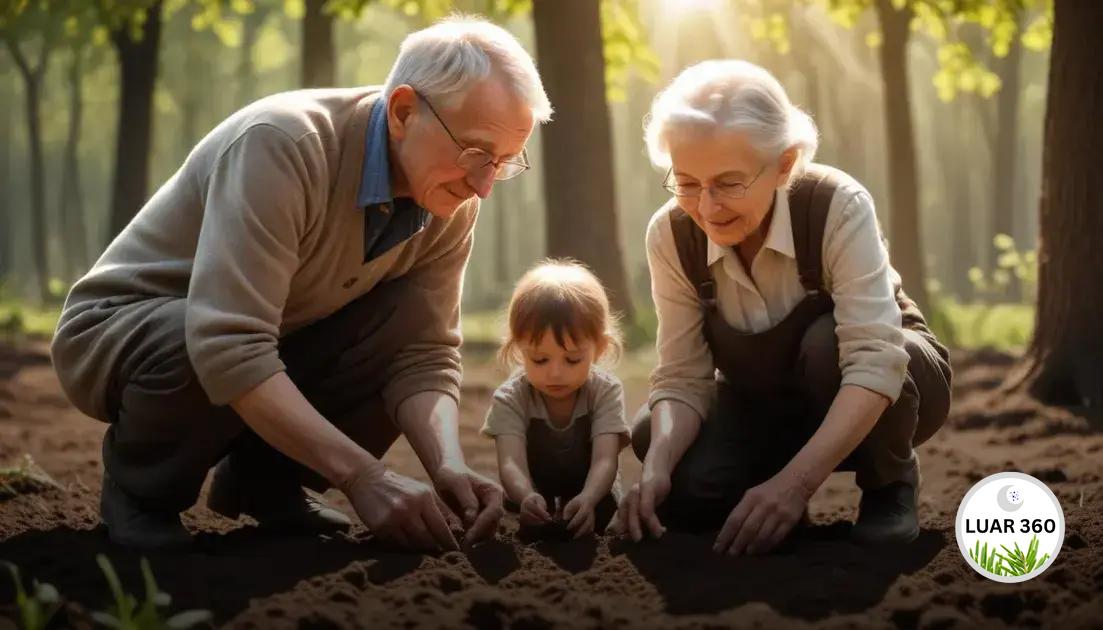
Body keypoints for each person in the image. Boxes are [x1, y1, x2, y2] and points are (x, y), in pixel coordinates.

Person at [49, 16, 553, 551]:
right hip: (126, 332)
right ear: (404, 111)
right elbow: (228, 342)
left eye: (501, 163)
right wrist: (363, 477)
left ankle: (264, 482)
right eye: (476, 153)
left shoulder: (450, 198)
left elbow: (424, 352)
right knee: (198, 336)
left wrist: (447, 465)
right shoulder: (283, 146)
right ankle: (141, 492)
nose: (483, 186)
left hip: (274, 331)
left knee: (404, 315)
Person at [610, 60, 952, 554]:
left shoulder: (838, 205)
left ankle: (889, 485)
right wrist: (657, 470)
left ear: (785, 164)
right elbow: (683, 377)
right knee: (661, 446)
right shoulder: (670, 235)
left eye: (728, 183)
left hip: (891, 388)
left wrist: (795, 486)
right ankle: (763, 491)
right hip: (763, 401)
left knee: (826, 344)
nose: (707, 209)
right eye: (686, 183)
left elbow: (875, 359)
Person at [480, 260, 628, 539]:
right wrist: (525, 495)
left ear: (600, 348)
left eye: (572, 359)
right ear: (517, 349)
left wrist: (589, 498)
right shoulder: (511, 397)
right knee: (525, 511)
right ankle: (535, 504)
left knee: (604, 510)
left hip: (592, 485)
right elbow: (510, 461)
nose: (556, 373)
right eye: (539, 359)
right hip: (532, 483)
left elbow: (605, 461)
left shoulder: (604, 391)